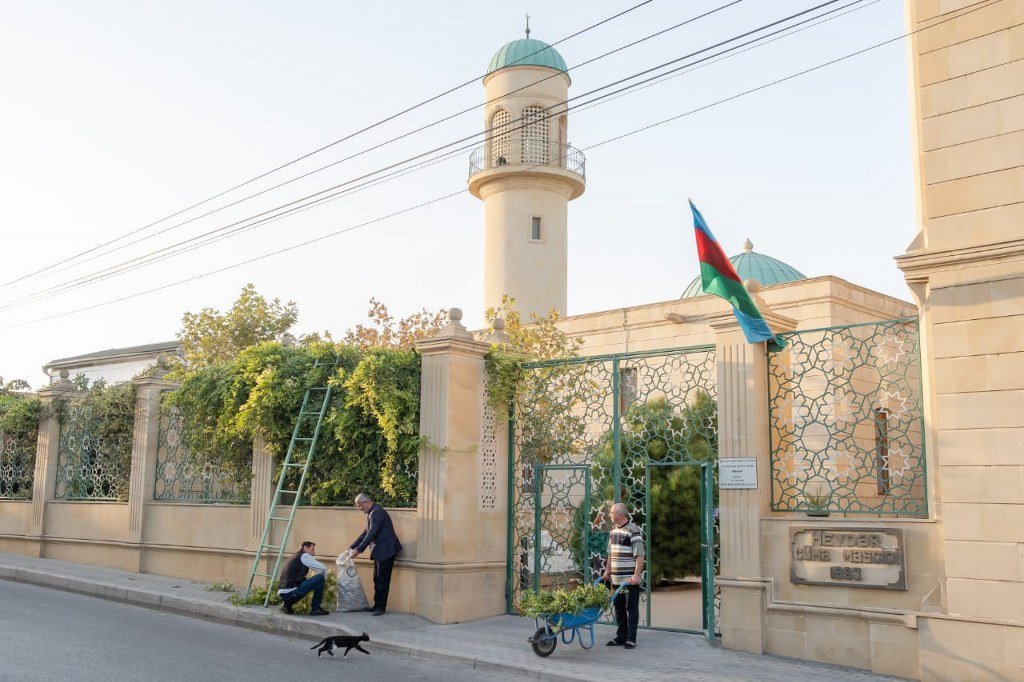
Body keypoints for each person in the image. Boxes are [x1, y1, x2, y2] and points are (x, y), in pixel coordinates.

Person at [349, 493, 402, 616]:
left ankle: (381, 607)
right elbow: (365, 532)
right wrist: (352, 547)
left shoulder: (376, 513)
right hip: (380, 551)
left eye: (359, 506)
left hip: (386, 551)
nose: (359, 509)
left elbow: (371, 533)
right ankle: (377, 605)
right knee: (376, 579)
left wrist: (358, 550)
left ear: (365, 503)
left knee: (382, 580)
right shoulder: (372, 513)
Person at [602, 502, 645, 649]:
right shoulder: (613, 532)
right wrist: (607, 570)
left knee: (631, 608)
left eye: (612, 513)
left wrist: (636, 575)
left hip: (629, 581)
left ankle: (631, 638)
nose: (610, 515)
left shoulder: (633, 531)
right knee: (619, 608)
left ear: (620, 515)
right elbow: (610, 553)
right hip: (616, 580)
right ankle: (621, 637)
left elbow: (640, 555)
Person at [277, 540, 329, 616]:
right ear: (305, 548)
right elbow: (323, 568)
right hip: (292, 593)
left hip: (283, 594)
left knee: (304, 582)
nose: (314, 552)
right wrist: (324, 580)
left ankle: (287, 605)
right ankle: (316, 609)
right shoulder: (304, 556)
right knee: (320, 578)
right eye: (312, 549)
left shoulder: (294, 556)